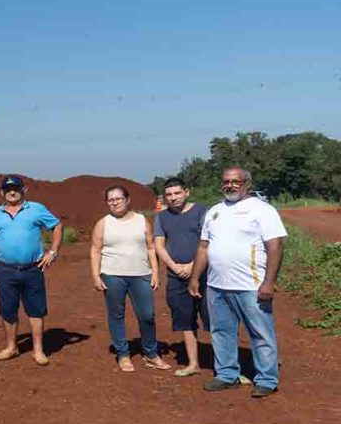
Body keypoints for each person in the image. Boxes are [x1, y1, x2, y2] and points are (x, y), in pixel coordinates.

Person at [189, 167, 287, 398]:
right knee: (221, 332)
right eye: (226, 181)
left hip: (251, 286)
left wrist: (269, 282)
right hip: (217, 285)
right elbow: (203, 247)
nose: (230, 185)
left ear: (247, 184)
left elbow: (275, 246)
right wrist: (195, 277)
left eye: (235, 181)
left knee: (261, 333)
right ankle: (226, 374)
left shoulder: (262, 210)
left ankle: (266, 379)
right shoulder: (214, 211)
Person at [0, 175, 62, 366]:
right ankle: (11, 347)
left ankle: (38, 350)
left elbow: (57, 225)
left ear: (24, 190)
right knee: (8, 309)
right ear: (2, 192)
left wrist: (53, 251)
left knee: (36, 310)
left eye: (16, 188)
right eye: (8, 189)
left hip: (33, 269)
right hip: (5, 270)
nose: (12, 192)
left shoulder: (36, 209)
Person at [90, 186, 171, 372]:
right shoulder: (103, 223)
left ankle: (151, 353)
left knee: (147, 316)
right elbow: (95, 250)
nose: (115, 202)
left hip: (141, 274)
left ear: (127, 199)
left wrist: (155, 273)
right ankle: (123, 354)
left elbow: (151, 248)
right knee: (116, 315)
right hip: (112, 275)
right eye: (110, 200)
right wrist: (96, 275)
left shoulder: (142, 221)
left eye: (118, 198)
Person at [153, 177, 209, 377]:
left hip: (204, 275)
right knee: (186, 320)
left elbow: (208, 241)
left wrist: (193, 265)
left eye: (177, 193)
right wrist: (176, 267)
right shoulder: (162, 217)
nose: (173, 198)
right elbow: (159, 245)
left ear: (187, 192)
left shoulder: (202, 212)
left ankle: (227, 366)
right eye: (169, 195)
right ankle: (193, 363)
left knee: (215, 320)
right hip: (176, 277)